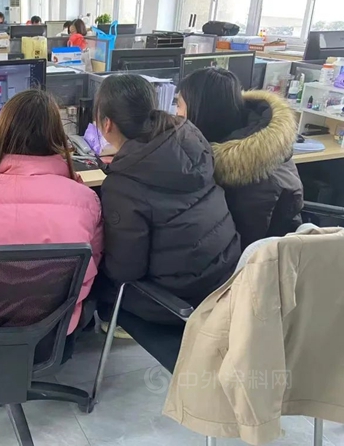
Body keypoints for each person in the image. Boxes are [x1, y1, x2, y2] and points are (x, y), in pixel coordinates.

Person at [0, 89, 103, 340]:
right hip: (55, 334)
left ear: (2, 133)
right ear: (58, 135)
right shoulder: (87, 199)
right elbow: (92, 262)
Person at [95, 74, 241, 325]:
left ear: (107, 124)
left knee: (94, 278)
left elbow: (126, 270)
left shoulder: (124, 186)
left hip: (178, 303)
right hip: (226, 283)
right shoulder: (190, 141)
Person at [177, 68, 303, 249]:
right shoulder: (261, 138)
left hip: (255, 260)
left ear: (202, 111)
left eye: (179, 105)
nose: (177, 114)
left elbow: (243, 250)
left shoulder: (246, 179)